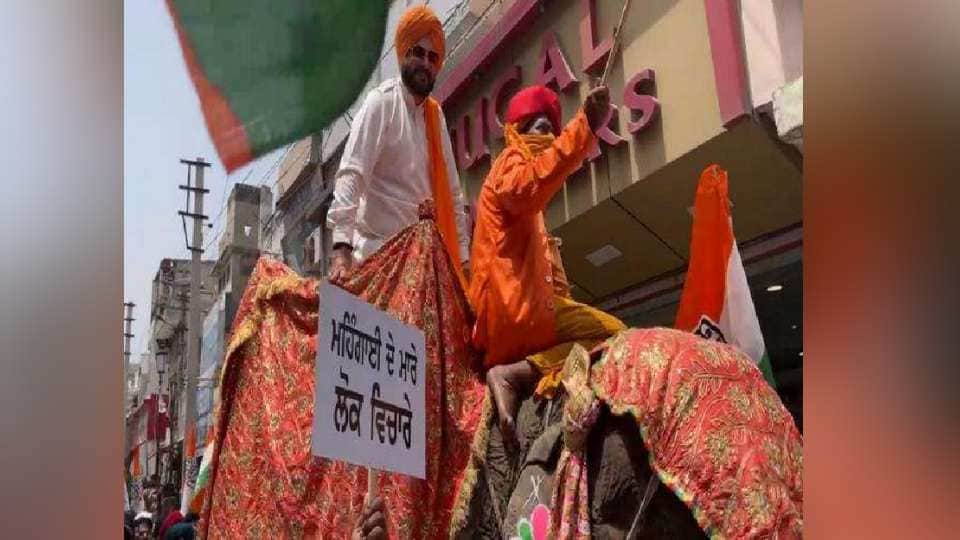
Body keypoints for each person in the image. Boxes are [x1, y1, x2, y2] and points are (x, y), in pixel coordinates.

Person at [467, 84, 627, 447]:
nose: (549, 138)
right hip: (515, 313)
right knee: (614, 333)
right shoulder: (509, 165)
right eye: (541, 129)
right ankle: (515, 374)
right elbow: (530, 185)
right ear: (518, 131)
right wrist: (584, 127)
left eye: (552, 131)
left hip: (526, 311)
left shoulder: (532, 212)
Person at [327, 4, 471, 287]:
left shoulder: (435, 117)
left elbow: (453, 194)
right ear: (404, 53)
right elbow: (352, 174)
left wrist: (464, 262)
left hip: (423, 267)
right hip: (377, 258)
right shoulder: (381, 103)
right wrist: (341, 250)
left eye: (432, 57)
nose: (426, 63)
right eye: (418, 52)